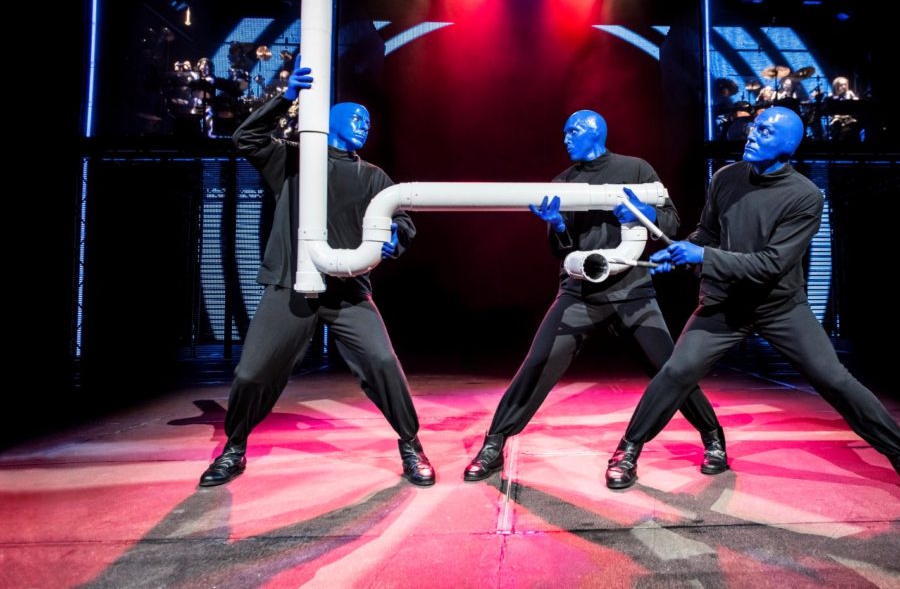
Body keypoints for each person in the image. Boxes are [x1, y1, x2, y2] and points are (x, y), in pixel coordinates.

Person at [602, 107, 900, 508]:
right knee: (676, 372)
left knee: (835, 380)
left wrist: (702, 256)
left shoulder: (805, 196)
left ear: (789, 145)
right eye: (753, 126)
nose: (751, 132)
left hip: (780, 307)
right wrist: (682, 251)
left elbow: (771, 264)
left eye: (764, 130)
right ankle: (628, 450)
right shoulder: (725, 178)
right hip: (726, 304)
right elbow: (708, 233)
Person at [198, 57, 435, 488]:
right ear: (330, 122)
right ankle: (234, 448)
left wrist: (393, 237)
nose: (364, 125)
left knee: (383, 362)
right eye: (355, 118)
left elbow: (403, 221)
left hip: (347, 291)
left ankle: (411, 444)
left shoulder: (373, 177)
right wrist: (285, 98)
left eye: (368, 121)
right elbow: (246, 138)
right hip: (290, 287)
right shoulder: (294, 159)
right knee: (252, 373)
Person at [463, 110, 727, 482]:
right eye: (564, 132)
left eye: (572, 131)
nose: (565, 138)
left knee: (672, 370)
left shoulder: (636, 169)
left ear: (595, 131)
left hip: (632, 292)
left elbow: (670, 222)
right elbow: (562, 250)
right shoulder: (564, 182)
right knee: (537, 365)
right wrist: (557, 225)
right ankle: (495, 443)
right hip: (580, 294)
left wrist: (643, 211)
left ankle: (713, 437)